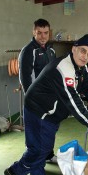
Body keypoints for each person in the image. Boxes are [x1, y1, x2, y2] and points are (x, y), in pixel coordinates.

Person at [4, 34, 88, 175]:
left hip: (51, 112)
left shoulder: (80, 67)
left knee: (43, 147)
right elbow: (72, 100)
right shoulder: (64, 68)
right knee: (39, 149)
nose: (85, 56)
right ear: (73, 49)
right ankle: (15, 170)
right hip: (38, 109)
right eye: (82, 51)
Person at [18, 18, 57, 163]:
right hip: (34, 101)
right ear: (33, 32)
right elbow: (25, 78)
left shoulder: (51, 50)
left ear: (49, 33)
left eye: (45, 33)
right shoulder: (28, 51)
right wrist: (33, 101)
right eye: (39, 33)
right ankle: (31, 165)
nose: (43, 36)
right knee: (34, 136)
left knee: (48, 130)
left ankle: (48, 155)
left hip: (49, 100)